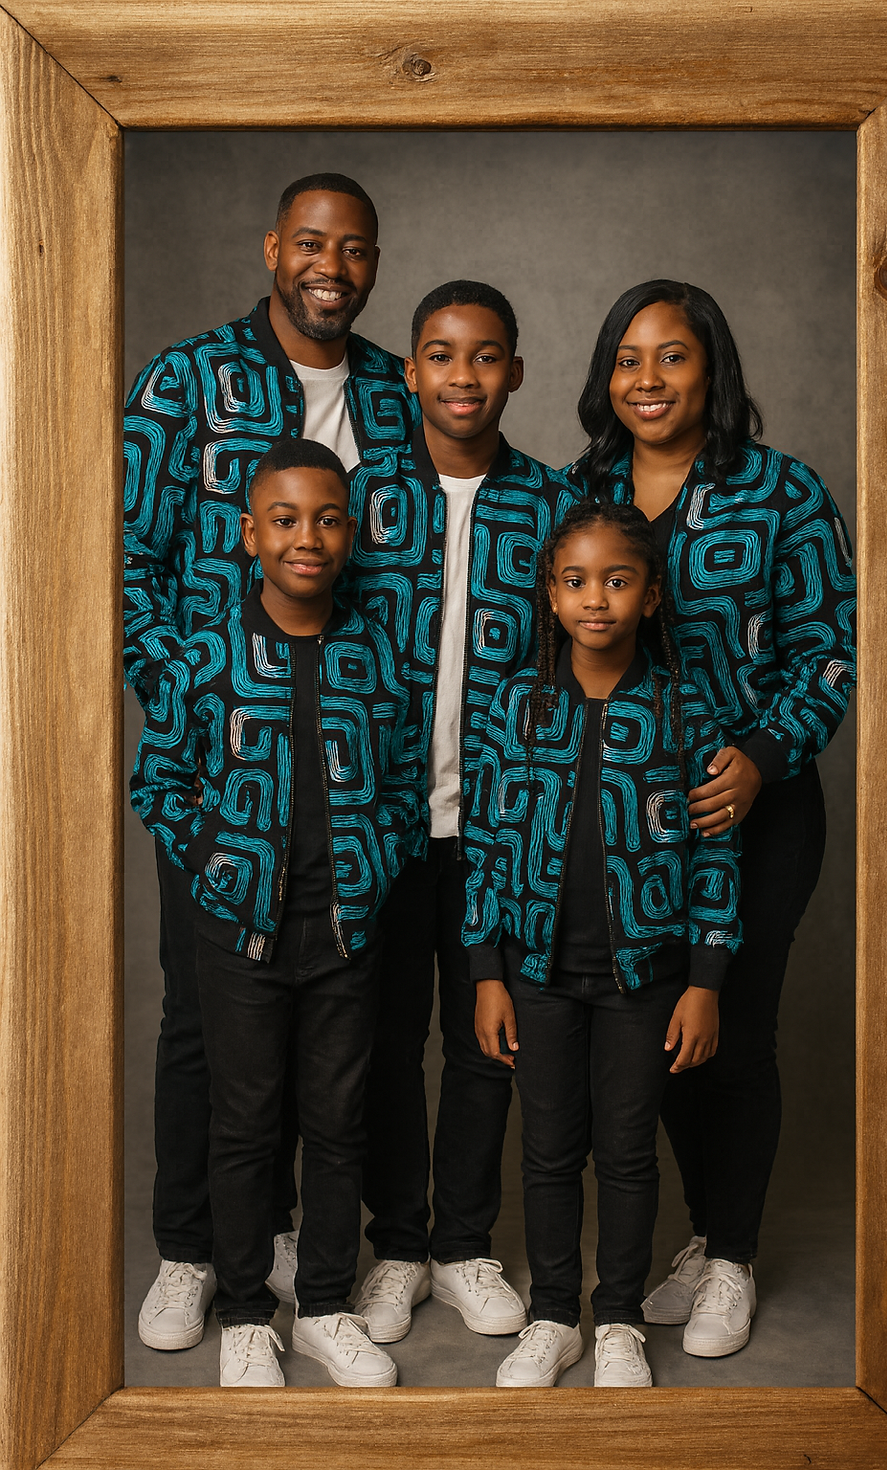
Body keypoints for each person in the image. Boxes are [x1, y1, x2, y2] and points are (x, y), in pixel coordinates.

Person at [125, 171, 419, 1352]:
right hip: (226, 766)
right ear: (271, 250)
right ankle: (196, 1251)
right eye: (309, 244)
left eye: (352, 249)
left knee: (350, 1032)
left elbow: (420, 568)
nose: (329, 268)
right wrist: (201, 709)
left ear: (373, 263)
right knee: (204, 1025)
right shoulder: (184, 380)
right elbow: (129, 559)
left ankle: (314, 1261)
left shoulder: (396, 396)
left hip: (354, 758)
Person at [570, 280, 856, 1358]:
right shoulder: (576, 491)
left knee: (730, 1031)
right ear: (606, 378)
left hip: (756, 810)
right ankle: (701, 1231)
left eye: (672, 357)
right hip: (622, 825)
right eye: (628, 359)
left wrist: (761, 755)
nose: (647, 379)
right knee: (653, 1035)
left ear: (711, 369)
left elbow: (829, 644)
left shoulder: (779, 493)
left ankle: (730, 1255)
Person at [342, 280, 580, 1344]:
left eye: (485, 357)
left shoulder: (549, 503)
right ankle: (396, 1242)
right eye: (440, 355)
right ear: (409, 372)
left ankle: (463, 1245)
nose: (462, 377)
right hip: (387, 821)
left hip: (500, 829)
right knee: (387, 1045)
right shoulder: (360, 492)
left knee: (490, 1042)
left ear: (514, 373)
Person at [464, 501, 741, 1387]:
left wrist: (705, 981)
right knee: (547, 1151)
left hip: (644, 982)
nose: (596, 600)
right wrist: (487, 974)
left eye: (618, 581)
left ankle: (617, 1318)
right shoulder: (515, 706)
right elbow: (486, 847)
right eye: (576, 581)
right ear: (550, 593)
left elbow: (716, 853)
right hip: (537, 976)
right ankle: (554, 1317)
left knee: (626, 1152)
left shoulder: (685, 709)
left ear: (652, 596)